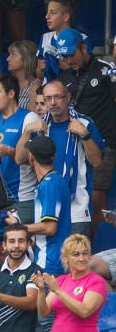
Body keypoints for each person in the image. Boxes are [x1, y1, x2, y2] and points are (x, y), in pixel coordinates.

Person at [20, 79, 102, 237]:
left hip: (77, 211)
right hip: (47, 207)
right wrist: (27, 132)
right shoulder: (40, 126)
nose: (53, 102)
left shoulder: (84, 123)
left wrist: (85, 135)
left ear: (68, 98)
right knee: (49, 257)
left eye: (58, 97)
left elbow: (97, 161)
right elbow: (19, 159)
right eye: (48, 99)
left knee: (76, 261)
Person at [53, 28, 116, 222]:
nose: (68, 60)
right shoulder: (64, 78)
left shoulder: (107, 69)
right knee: (73, 195)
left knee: (97, 198)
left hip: (103, 143)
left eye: (71, 54)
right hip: (73, 145)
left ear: (83, 47)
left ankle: (91, 245)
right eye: (64, 56)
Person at [0, 75, 41, 224]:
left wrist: (10, 152)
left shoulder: (29, 118)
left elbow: (37, 158)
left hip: (22, 197)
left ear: (11, 94)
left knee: (17, 246)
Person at [34, 234, 105, 332]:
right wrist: (41, 291)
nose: (82, 258)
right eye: (76, 254)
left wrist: (58, 290)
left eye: (85, 253)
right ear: (65, 258)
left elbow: (84, 311)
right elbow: (44, 312)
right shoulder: (61, 280)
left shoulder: (96, 281)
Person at [11, 136, 70, 277]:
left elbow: (49, 228)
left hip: (50, 261)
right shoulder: (54, 180)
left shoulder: (49, 185)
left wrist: (18, 227)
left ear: (31, 157)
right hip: (53, 257)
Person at [37, 0, 90, 83]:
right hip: (48, 89)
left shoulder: (82, 38)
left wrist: (56, 62)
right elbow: (39, 75)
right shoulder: (44, 38)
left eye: (52, 13)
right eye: (47, 12)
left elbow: (85, 70)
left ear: (65, 17)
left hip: (73, 87)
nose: (47, 16)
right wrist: (42, 69)